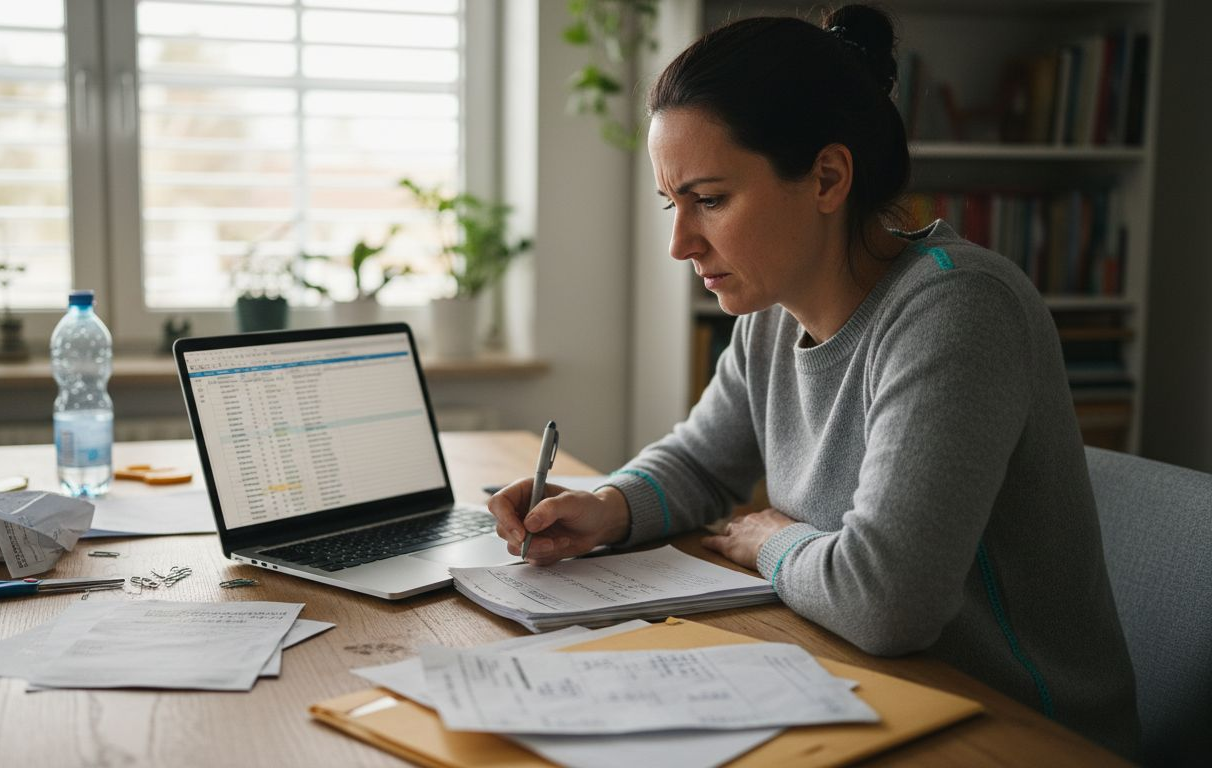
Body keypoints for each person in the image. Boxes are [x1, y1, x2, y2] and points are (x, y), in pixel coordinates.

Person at [487, 4, 1139, 758]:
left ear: (827, 177)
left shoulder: (959, 309)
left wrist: (773, 540)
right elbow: (701, 462)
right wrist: (605, 506)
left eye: (710, 200)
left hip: (1019, 730)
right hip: (867, 688)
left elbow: (887, 601)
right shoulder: (773, 313)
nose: (680, 243)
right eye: (673, 203)